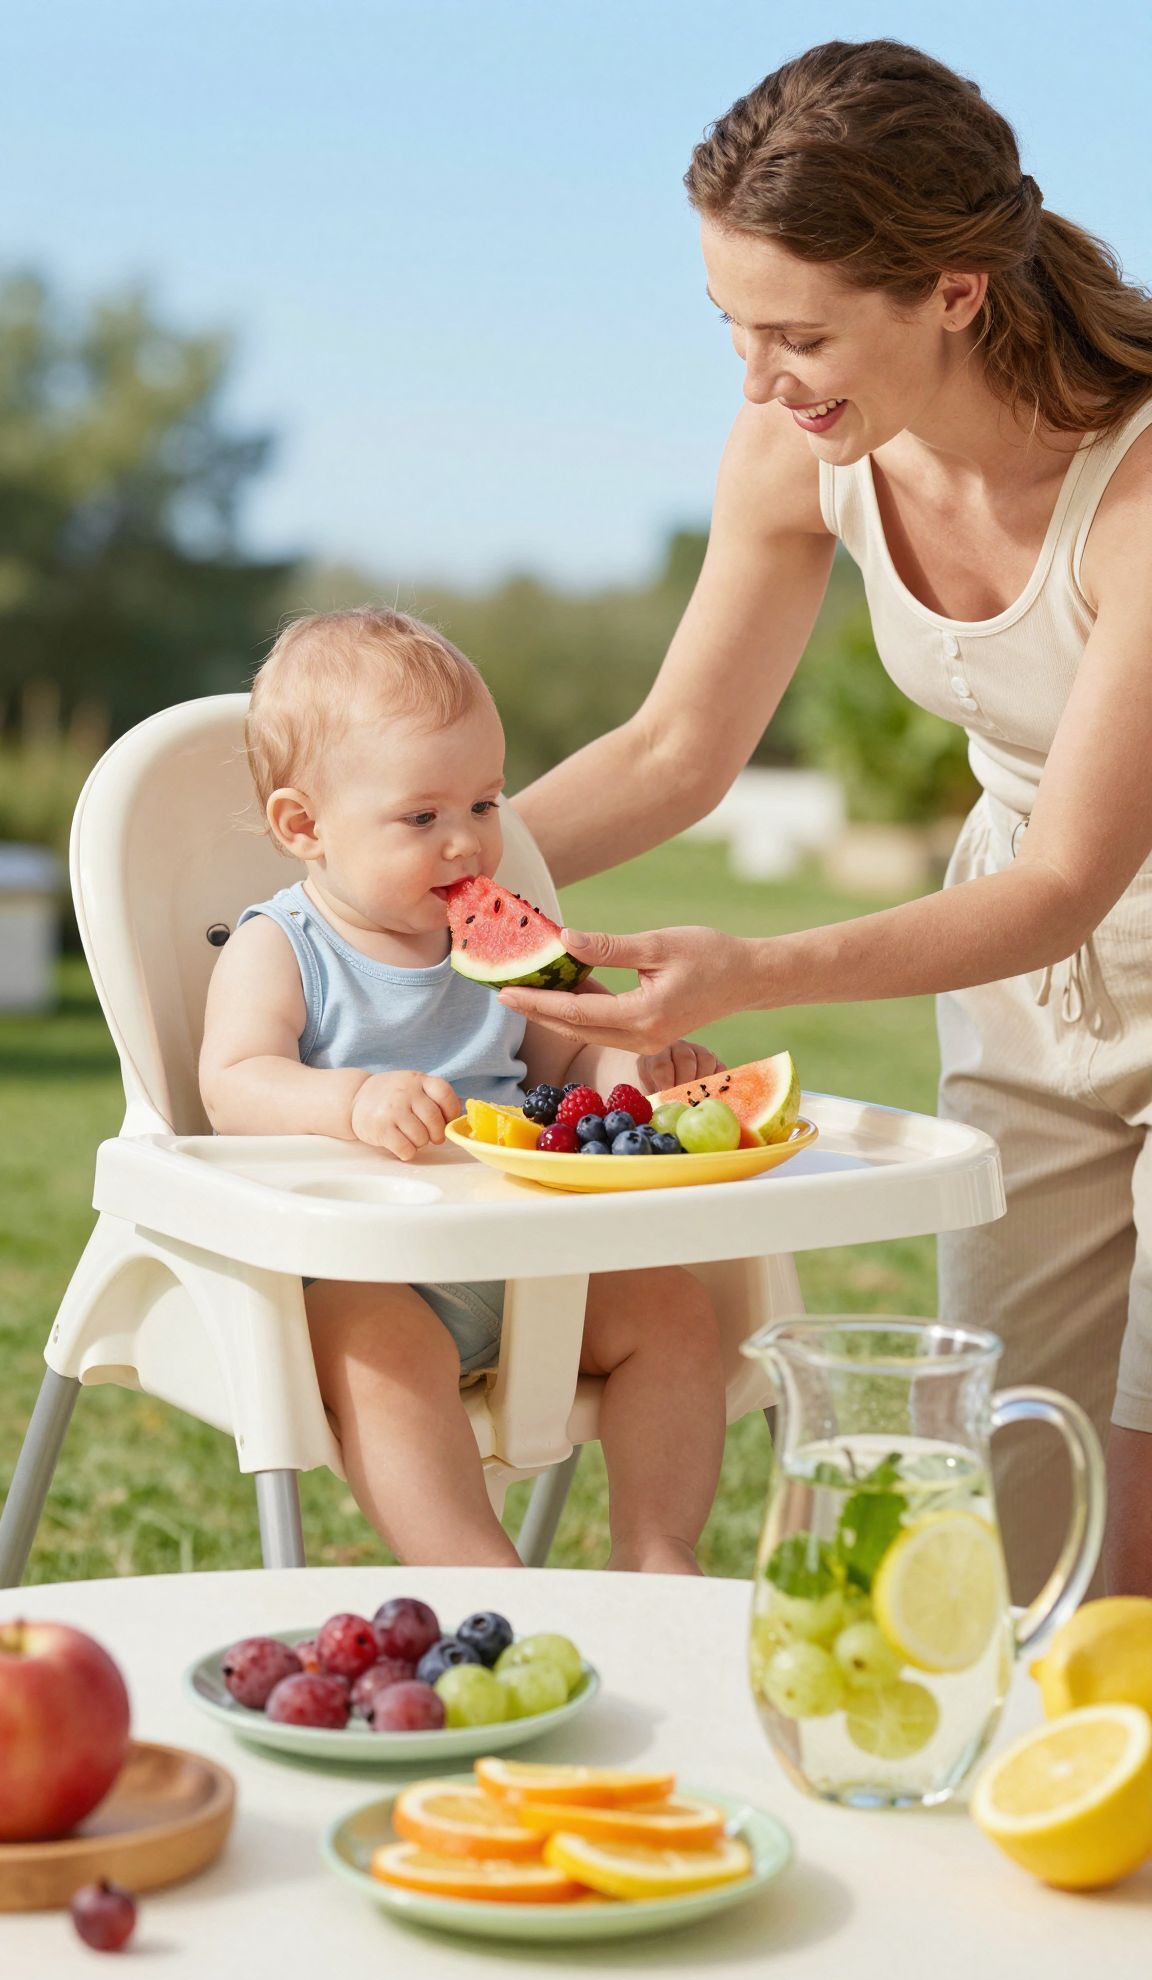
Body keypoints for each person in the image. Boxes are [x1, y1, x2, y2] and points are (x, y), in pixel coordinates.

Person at [507, 39, 1152, 1602]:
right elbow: (672, 747)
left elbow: (1076, 873)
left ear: (952, 288)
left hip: (1054, 903)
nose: (755, 379)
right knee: (1018, 1503)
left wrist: (745, 973)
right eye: (730, 326)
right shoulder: (803, 451)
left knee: (1131, 1542)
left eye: (796, 333)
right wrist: (444, 868)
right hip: (1028, 988)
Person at [198, 606, 726, 1573]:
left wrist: (636, 1070)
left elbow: (572, 1058)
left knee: (678, 1316)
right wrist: (348, 1101)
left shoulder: (503, 930)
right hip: (369, 1269)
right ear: (304, 826)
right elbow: (233, 1083)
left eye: (485, 805)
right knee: (381, 1357)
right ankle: (476, 1568)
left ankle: (659, 1552)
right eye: (422, 817)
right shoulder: (282, 948)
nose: (467, 846)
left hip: (532, 1253)